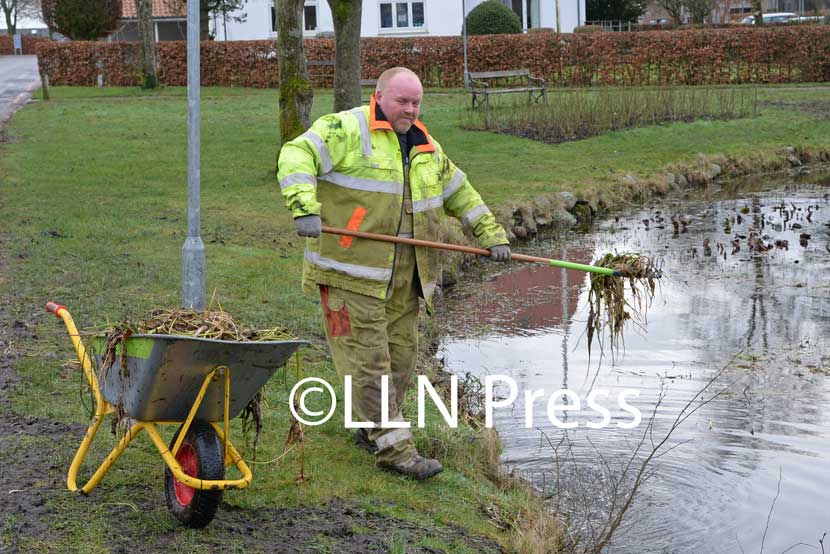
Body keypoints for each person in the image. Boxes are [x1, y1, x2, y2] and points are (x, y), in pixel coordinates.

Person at [277, 67, 511, 480]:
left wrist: (491, 234)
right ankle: (396, 451)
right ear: (379, 95)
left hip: (408, 278)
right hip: (350, 276)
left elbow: (460, 191)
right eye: (403, 101)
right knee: (368, 364)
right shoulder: (345, 128)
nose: (410, 109)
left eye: (417, 102)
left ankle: (372, 430)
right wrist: (304, 206)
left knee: (401, 360)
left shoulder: (425, 144)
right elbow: (296, 154)